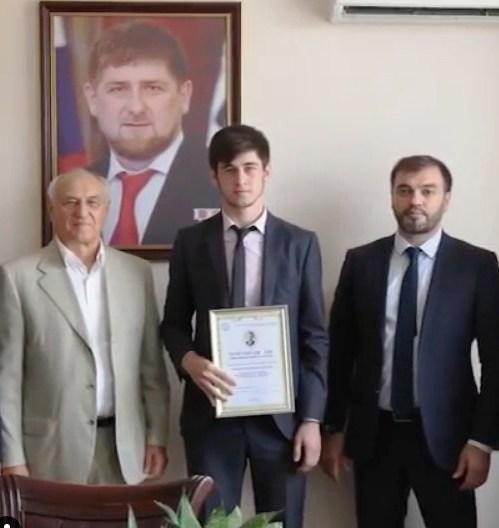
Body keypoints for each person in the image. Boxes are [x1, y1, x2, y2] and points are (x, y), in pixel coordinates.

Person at [161, 125, 328, 527]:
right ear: (214, 175)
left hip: (283, 422)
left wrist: (312, 420)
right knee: (210, 524)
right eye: (230, 169)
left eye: (250, 168)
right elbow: (173, 324)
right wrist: (189, 362)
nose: (241, 179)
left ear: (266, 172)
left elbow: (314, 337)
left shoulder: (301, 243)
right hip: (211, 417)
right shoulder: (190, 242)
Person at [321, 155, 499, 528]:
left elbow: (495, 360)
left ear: (446, 198)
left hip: (450, 440)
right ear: (392, 197)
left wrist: (482, 441)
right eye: (404, 190)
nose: (415, 200)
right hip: (374, 436)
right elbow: (340, 354)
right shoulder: (361, 262)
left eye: (427, 191)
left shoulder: (476, 266)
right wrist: (333, 428)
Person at [0, 168, 170, 484]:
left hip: (125, 452)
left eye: (92, 202)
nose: (82, 212)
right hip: (49, 455)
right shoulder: (17, 277)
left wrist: (156, 436)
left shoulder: (137, 274)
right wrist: (11, 457)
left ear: (106, 209)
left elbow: (152, 368)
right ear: (52, 210)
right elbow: (6, 379)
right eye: (70, 202)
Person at [83, 22, 219, 246]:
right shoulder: (74, 187)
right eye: (118, 89)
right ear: (92, 100)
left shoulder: (222, 184)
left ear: (184, 96)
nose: (136, 108)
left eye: (153, 88)